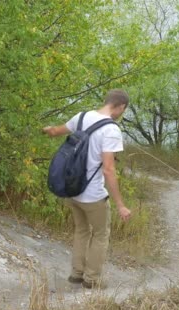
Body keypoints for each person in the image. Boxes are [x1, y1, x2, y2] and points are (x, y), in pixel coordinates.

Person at [42, 89, 132, 289]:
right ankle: (91, 279)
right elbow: (108, 169)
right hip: (93, 196)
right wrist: (120, 205)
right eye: (122, 110)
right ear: (120, 106)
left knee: (81, 231)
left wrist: (45, 129)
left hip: (72, 190)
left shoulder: (81, 117)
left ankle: (76, 274)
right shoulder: (111, 130)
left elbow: (55, 131)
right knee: (100, 234)